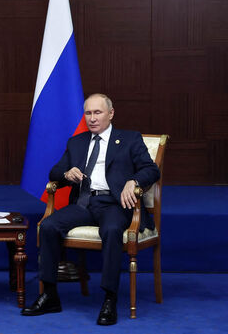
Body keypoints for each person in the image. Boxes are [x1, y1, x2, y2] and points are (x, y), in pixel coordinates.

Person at [21, 93, 160, 325]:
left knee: (112, 230)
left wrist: (133, 181)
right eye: (88, 113)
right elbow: (54, 173)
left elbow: (151, 170)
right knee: (48, 225)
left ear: (111, 114)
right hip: (85, 203)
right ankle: (50, 295)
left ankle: (109, 299)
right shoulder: (77, 142)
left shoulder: (130, 139)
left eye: (98, 112)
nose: (92, 118)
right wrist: (66, 174)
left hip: (115, 204)